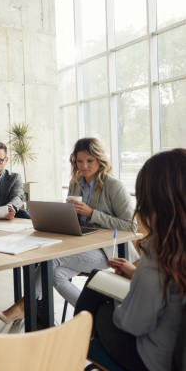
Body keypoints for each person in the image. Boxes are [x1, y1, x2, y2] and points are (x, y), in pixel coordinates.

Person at [0, 137, 134, 324]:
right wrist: (64, 217)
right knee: (55, 274)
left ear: (100, 160)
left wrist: (93, 213)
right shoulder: (75, 182)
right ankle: (91, 316)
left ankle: (25, 305)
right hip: (81, 243)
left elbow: (130, 225)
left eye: (90, 161)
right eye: (79, 161)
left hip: (107, 251)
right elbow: (74, 218)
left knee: (52, 259)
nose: (84, 166)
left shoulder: (113, 186)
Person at [74, 148, 186, 371]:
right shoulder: (176, 250)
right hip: (173, 347)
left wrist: (121, 302)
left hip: (152, 360)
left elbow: (132, 324)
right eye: (79, 161)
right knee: (99, 280)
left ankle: (71, 345)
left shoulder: (159, 255)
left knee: (100, 300)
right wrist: (135, 274)